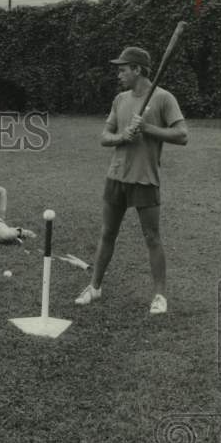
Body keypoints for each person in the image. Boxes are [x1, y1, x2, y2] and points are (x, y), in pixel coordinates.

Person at [74, 46, 188, 315]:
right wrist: (123, 136)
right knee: (107, 233)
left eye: (123, 69)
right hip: (116, 176)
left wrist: (147, 128)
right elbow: (105, 137)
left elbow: (182, 135)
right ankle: (95, 287)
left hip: (145, 179)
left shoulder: (163, 99)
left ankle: (159, 296)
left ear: (137, 69)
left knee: (152, 237)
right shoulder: (120, 99)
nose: (119, 74)